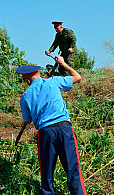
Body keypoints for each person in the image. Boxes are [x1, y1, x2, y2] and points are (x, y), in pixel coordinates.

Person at [16, 56, 86, 195]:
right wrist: (63, 64)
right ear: (38, 74)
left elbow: (28, 120)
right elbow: (77, 77)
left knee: (46, 173)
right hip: (65, 129)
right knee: (73, 169)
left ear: (27, 80)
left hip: (46, 133)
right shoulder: (53, 81)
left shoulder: (24, 96)